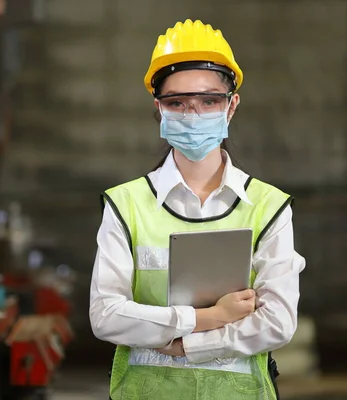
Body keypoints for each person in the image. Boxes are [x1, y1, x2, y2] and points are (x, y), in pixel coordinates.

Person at [89, 19, 306, 400]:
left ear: (231, 105)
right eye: (177, 102)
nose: (193, 114)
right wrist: (211, 317)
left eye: (209, 100)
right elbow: (106, 316)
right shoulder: (125, 205)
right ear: (159, 109)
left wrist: (186, 345)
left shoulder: (268, 207)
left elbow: (278, 323)